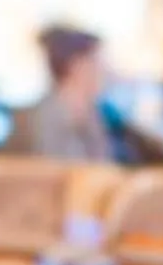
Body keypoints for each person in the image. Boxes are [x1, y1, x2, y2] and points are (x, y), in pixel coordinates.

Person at [12, 25, 117, 163]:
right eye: (98, 61)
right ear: (76, 67)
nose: (107, 69)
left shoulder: (93, 116)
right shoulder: (39, 120)